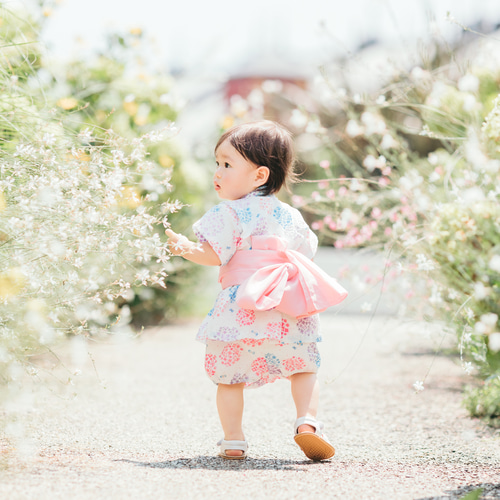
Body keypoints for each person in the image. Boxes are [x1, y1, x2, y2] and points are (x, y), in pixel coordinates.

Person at [166, 120, 347, 461]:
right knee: (304, 367)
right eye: (217, 164)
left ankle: (233, 440)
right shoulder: (290, 214)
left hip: (242, 311)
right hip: (287, 308)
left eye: (227, 164)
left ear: (260, 176)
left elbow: (212, 254)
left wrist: (184, 247)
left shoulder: (228, 212)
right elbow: (306, 250)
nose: (217, 172)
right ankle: (307, 423)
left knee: (229, 376)